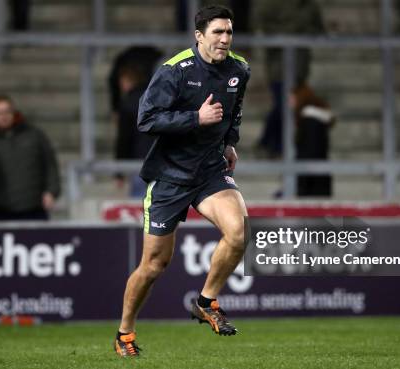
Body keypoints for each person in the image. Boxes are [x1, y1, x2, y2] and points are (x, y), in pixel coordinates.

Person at [114, 5, 250, 357]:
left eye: (229, 32)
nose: (224, 38)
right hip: (170, 175)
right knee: (155, 265)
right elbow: (147, 119)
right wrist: (196, 118)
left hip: (209, 170)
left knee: (237, 232)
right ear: (199, 35)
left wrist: (230, 141)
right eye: (217, 32)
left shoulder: (239, 69)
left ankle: (206, 301)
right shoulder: (174, 71)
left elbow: (234, 110)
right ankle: (124, 333)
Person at [254, 0, 325, 158]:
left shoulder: (310, 6)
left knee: (289, 106)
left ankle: (269, 143)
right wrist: (292, 33)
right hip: (278, 66)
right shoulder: (271, 5)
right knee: (284, 105)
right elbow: (263, 29)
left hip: (299, 66)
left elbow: (318, 30)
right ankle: (275, 145)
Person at [0, 95, 60, 221]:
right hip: (2, 210)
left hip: (34, 208)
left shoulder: (34, 135)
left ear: (14, 112)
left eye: (7, 111)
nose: (3, 117)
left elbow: (50, 164)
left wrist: (51, 191)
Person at [114, 66, 155, 198]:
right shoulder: (156, 97)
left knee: (140, 206)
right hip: (161, 159)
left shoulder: (128, 103)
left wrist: (119, 172)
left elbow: (124, 140)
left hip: (139, 162)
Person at [292, 84, 335, 197]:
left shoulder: (310, 121)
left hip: (312, 182)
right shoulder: (314, 120)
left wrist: (301, 185)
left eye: (292, 97)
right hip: (317, 179)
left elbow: (310, 152)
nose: (289, 101)